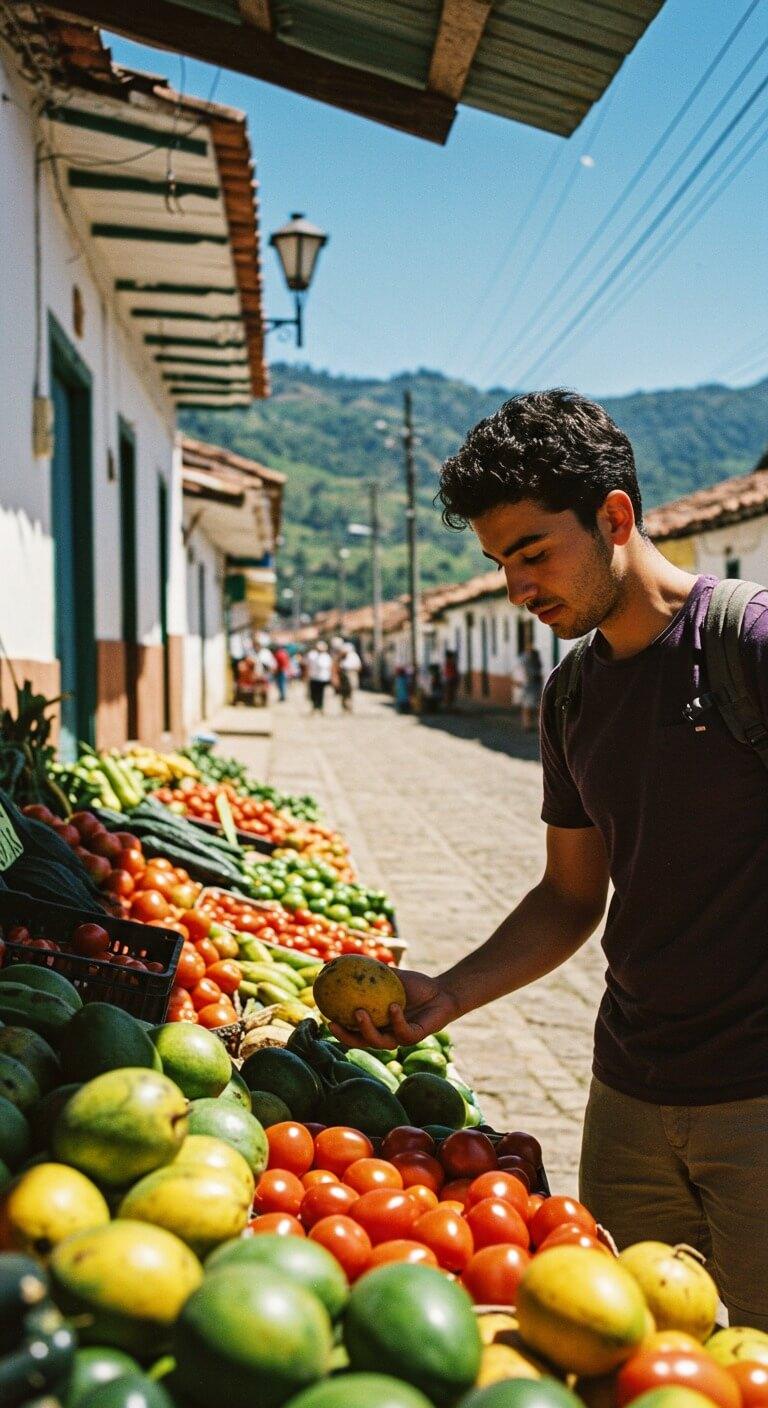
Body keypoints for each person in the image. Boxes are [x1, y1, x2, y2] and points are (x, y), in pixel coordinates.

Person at [330, 388, 768, 1328]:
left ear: (615, 516)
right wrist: (450, 992)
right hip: (628, 1102)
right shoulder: (571, 699)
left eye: (533, 552)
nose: (518, 588)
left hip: (759, 1107)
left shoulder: (747, 646)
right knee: (634, 1361)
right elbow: (571, 897)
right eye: (499, 564)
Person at [518, 641, 543, 731]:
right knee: (531, 706)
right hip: (532, 684)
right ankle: (530, 724)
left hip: (531, 684)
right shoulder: (528, 658)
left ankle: (528, 725)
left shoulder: (528, 658)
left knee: (529, 706)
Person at [306, 640, 332, 712]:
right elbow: (308, 665)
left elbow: (329, 667)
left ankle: (320, 707)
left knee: (321, 694)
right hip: (314, 677)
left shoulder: (326, 657)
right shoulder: (312, 655)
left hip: (323, 678)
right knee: (313, 694)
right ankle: (315, 707)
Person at [339, 641, 362, 712]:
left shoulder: (354, 656)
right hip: (343, 673)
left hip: (351, 673)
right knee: (343, 692)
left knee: (350, 690)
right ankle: (344, 707)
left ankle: (349, 707)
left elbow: (358, 666)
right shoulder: (342, 656)